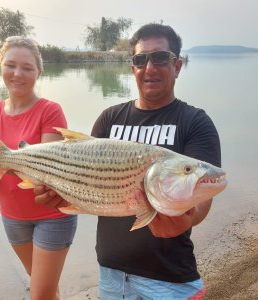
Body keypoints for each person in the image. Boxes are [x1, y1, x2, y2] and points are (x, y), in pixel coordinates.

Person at [35, 23, 221, 299]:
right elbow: (86, 183)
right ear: (132, 67)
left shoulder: (195, 123)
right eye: (140, 59)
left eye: (160, 58)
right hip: (111, 273)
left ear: (177, 66)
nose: (150, 67)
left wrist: (186, 219)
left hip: (169, 277)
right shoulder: (110, 118)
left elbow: (203, 196)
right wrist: (60, 195)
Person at [0, 36, 77, 300]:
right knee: (44, 289)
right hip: (12, 217)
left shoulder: (50, 111)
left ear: (39, 72)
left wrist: (2, 159)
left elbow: (46, 175)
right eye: (10, 65)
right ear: (1, 66)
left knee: (40, 294)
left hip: (52, 216)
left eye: (27, 67)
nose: (17, 74)